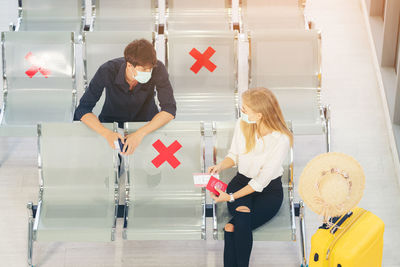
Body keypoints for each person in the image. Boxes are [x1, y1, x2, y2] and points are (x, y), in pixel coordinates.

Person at [209, 87, 293, 267]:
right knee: (241, 221)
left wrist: (230, 198)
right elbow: (234, 156)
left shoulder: (281, 139)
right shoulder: (242, 124)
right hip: (240, 182)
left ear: (260, 114)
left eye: (246, 108)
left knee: (233, 227)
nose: (242, 111)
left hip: (268, 190)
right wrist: (220, 166)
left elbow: (260, 182)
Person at [74, 39, 176, 155]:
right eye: (143, 69)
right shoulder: (107, 70)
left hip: (146, 125)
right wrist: (106, 133)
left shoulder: (158, 68)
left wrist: (140, 133)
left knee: (151, 169)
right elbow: (83, 109)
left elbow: (169, 109)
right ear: (129, 66)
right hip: (112, 126)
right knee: (106, 167)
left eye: (150, 69)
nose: (148, 73)